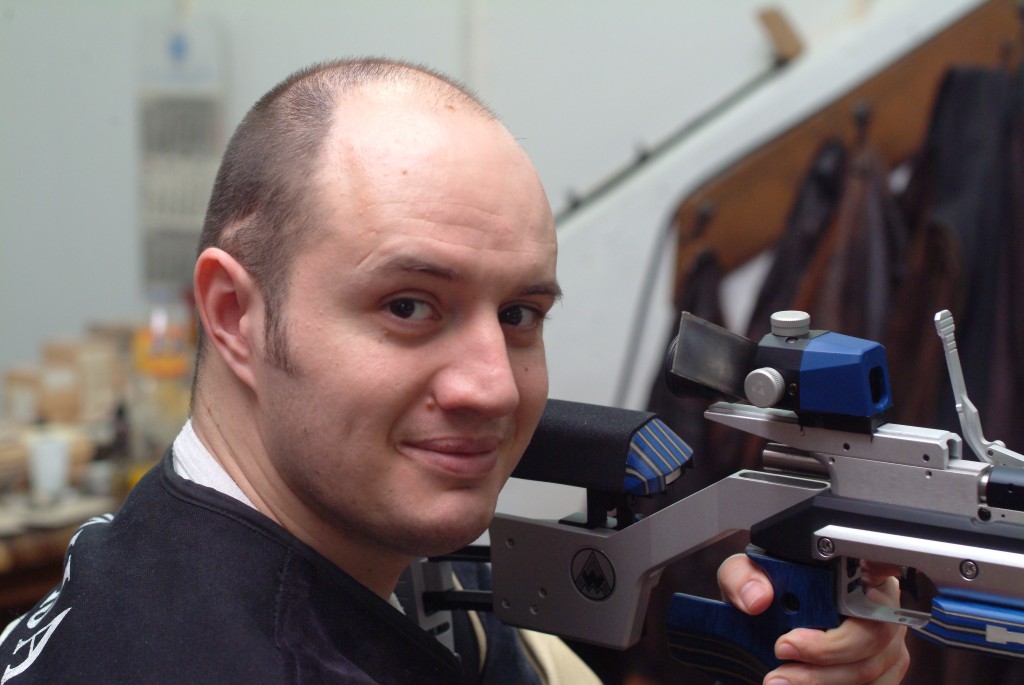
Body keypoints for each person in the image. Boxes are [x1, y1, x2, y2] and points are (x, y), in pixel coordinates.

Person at [0, 59, 909, 684]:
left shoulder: (322, 549)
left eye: (519, 315)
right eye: (408, 306)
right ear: (237, 314)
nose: (494, 387)